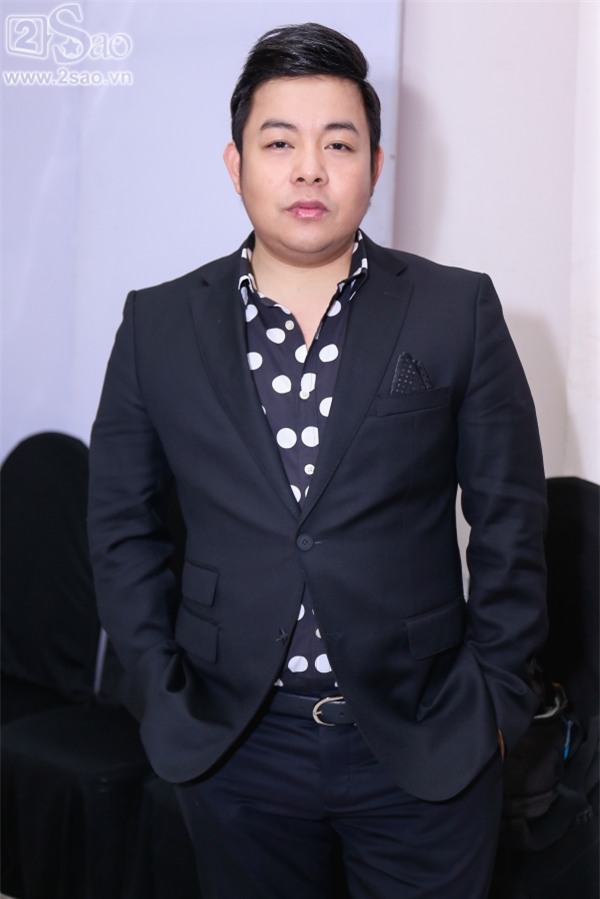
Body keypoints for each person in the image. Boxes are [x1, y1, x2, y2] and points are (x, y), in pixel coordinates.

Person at [88, 22, 548, 899]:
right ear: (235, 164)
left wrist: (494, 703)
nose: (309, 169)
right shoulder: (156, 324)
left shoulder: (455, 310)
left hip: (426, 741)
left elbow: (512, 519)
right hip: (233, 744)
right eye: (279, 143)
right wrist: (160, 693)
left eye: (338, 143)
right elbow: (120, 528)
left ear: (375, 163)